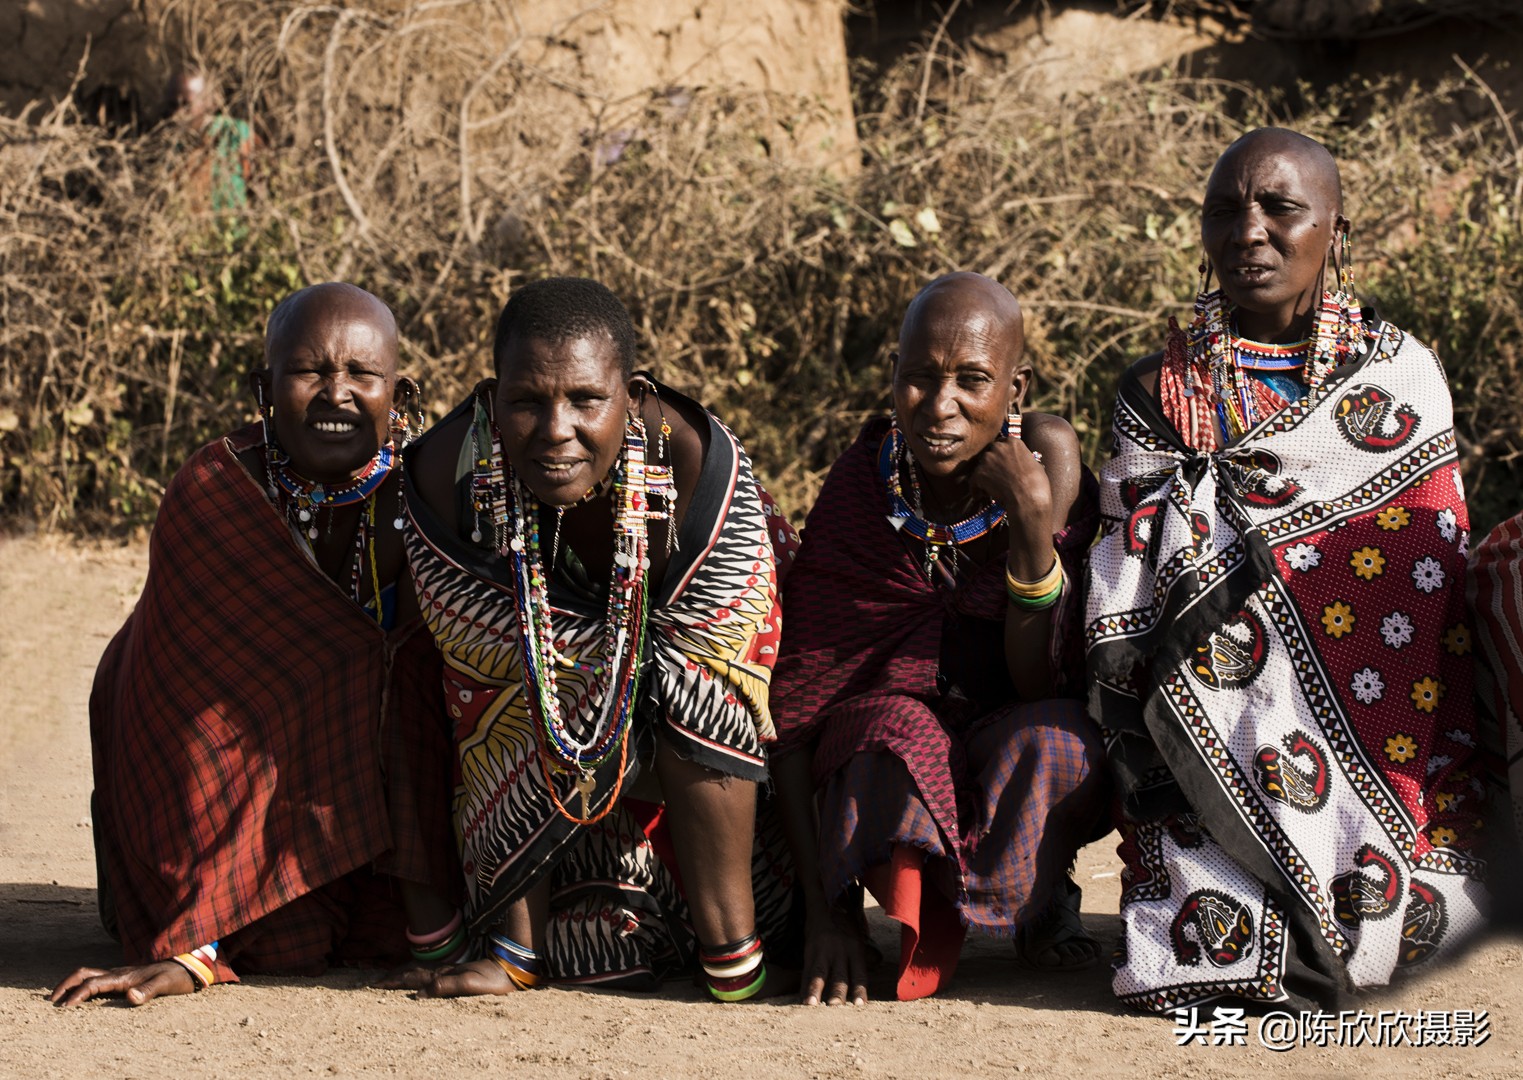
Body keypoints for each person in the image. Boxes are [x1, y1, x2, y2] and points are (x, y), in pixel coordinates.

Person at [1086, 128, 1487, 1014]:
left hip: (1373, 719)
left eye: (1279, 209)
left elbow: (1425, 579)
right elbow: (1128, 567)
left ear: (1334, 231)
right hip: (1203, 721)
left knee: (1406, 921)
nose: (1249, 232)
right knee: (1201, 958)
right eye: (1224, 211)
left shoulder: (1400, 378)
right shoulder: (1154, 394)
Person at [51, 283, 460, 1007]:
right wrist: (194, 945)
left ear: (400, 393)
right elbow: (192, 722)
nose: (336, 393)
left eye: (362, 375)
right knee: (282, 945)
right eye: (308, 371)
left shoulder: (425, 497)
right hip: (221, 803)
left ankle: (440, 930)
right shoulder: (215, 491)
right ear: (263, 389)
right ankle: (208, 919)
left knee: (409, 669)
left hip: (377, 814)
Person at [396, 276, 799, 1000]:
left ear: (633, 395)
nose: (555, 429)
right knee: (516, 669)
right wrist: (582, 653)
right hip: (561, 773)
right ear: (492, 398)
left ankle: (733, 950)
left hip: (700, 777)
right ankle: (517, 945)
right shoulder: (442, 472)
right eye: (527, 402)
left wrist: (611, 653)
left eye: (586, 400)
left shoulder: (697, 462)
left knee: (701, 686)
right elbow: (476, 666)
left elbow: (724, 647)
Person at [769, 272, 1109, 1005]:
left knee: (1061, 738)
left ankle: (1040, 890)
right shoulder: (862, 483)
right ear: (892, 376)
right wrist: (825, 920)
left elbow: (1040, 680)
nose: (940, 405)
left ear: (1015, 391)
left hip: (1000, 736)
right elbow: (796, 713)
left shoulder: (1047, 457)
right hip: (897, 762)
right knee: (886, 731)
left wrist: (1028, 527)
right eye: (918, 377)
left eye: (972, 380)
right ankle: (891, 914)